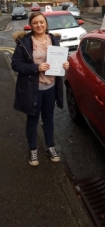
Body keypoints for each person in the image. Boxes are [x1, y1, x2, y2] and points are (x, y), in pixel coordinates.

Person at [11, 12, 69, 167]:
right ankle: (33, 149)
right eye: (35, 23)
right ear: (31, 24)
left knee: (49, 118)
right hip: (33, 90)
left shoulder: (54, 39)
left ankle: (50, 146)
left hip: (50, 88)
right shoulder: (24, 42)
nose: (39, 25)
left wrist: (65, 64)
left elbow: (61, 59)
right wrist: (36, 68)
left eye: (41, 22)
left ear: (46, 23)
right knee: (33, 120)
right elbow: (15, 64)